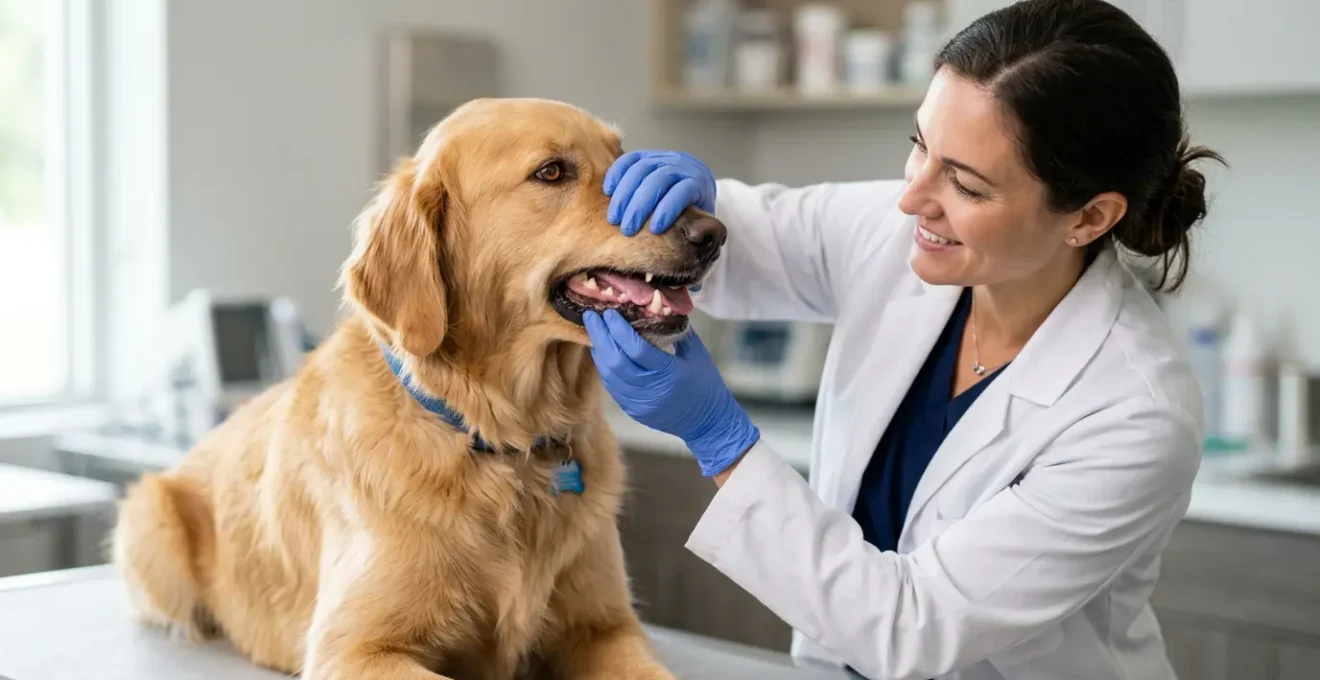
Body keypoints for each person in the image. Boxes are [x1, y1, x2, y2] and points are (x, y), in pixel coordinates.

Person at [580, 1, 1227, 678]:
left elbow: (912, 627)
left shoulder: (1136, 412)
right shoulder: (902, 236)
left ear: (1089, 216)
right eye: (919, 143)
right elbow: (737, 243)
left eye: (966, 184)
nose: (911, 197)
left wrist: (720, 438)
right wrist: (682, 209)